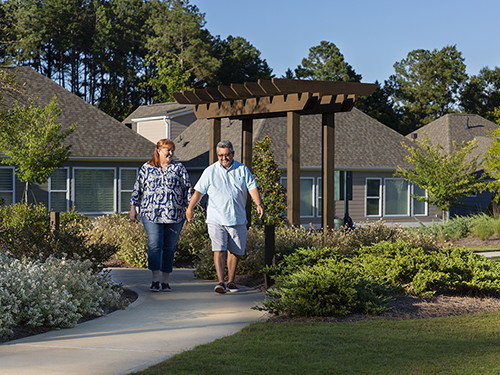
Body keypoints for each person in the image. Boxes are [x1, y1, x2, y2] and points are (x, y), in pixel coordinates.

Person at [186, 140, 264, 294]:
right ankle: (220, 282)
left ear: (232, 154)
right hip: (216, 218)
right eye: (221, 155)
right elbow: (198, 192)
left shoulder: (242, 169)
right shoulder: (210, 171)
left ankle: (231, 281)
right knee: (219, 249)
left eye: (227, 154)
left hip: (237, 218)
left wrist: (258, 204)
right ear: (217, 155)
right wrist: (190, 209)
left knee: (235, 251)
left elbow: (252, 187)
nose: (224, 157)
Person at [129, 138, 191, 292]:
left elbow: (187, 189)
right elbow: (137, 188)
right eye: (167, 150)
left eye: (172, 150)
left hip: (175, 214)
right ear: (158, 150)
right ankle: (155, 279)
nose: (170, 153)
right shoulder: (146, 168)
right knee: (155, 244)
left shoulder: (179, 168)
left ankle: (165, 281)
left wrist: (189, 208)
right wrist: (133, 207)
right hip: (151, 214)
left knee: (169, 247)